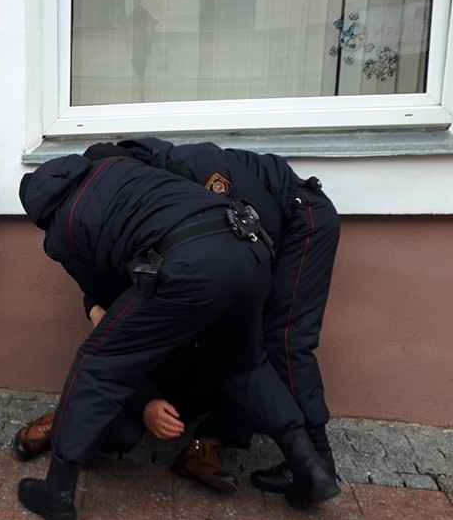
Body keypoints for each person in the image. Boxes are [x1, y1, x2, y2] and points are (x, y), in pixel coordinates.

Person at [16, 153, 339, 520]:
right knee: (244, 363)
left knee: (99, 363)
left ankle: (56, 495)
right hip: (250, 249)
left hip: (189, 263)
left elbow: (108, 301)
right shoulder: (118, 168)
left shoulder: (63, 230)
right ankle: (310, 467)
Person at [83, 137, 341, 494]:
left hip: (300, 220)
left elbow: (260, 229)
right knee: (242, 344)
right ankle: (295, 460)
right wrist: (94, 302)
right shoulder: (148, 200)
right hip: (257, 243)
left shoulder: (195, 169)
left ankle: (317, 463)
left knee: (281, 339)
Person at [13, 342, 249, 494]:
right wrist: (146, 401)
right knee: (121, 434)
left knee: (258, 373)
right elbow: (115, 354)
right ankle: (65, 420)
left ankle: (205, 445)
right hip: (145, 377)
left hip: (208, 380)